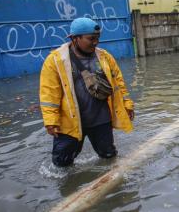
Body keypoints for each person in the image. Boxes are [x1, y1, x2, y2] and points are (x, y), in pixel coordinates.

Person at [40, 17, 134, 167]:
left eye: (97, 38)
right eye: (91, 39)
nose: (95, 42)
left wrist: (127, 104)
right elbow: (49, 93)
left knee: (108, 156)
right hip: (70, 121)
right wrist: (50, 120)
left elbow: (119, 84)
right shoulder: (55, 61)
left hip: (101, 118)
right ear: (75, 38)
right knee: (61, 164)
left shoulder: (104, 57)